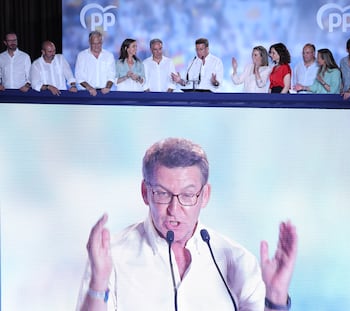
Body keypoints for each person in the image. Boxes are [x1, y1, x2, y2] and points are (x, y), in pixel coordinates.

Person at [76, 137, 298, 311]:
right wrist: (98, 283)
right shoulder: (111, 256)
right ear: (146, 193)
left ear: (205, 196)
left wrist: (277, 295)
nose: (174, 209)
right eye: (162, 194)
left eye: (188, 195)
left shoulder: (237, 259)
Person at [75, 31, 116, 96]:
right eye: (94, 44)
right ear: (89, 42)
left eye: (99, 43)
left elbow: (111, 75)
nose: (96, 46)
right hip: (86, 92)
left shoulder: (109, 55)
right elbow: (79, 76)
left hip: (105, 93)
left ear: (102, 42)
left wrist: (108, 87)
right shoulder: (82, 56)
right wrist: (89, 88)